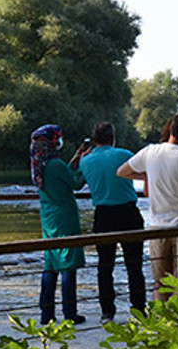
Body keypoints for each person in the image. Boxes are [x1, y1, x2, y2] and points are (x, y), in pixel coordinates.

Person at [117, 111, 178, 301]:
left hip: (157, 230)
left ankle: (160, 319)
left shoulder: (150, 151)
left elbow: (122, 172)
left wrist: (147, 176)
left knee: (160, 284)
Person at [78, 122, 147, 324]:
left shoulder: (85, 161)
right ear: (112, 138)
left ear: (93, 140)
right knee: (134, 266)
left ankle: (107, 312)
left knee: (104, 266)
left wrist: (81, 158)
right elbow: (145, 172)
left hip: (103, 215)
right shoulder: (125, 155)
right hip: (128, 213)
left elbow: (79, 181)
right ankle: (139, 310)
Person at [30, 124, 86, 325]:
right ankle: (70, 313)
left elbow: (62, 177)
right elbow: (76, 183)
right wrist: (85, 164)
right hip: (65, 217)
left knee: (51, 263)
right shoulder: (55, 164)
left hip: (48, 217)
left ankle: (46, 314)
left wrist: (74, 161)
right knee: (68, 263)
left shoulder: (39, 164)